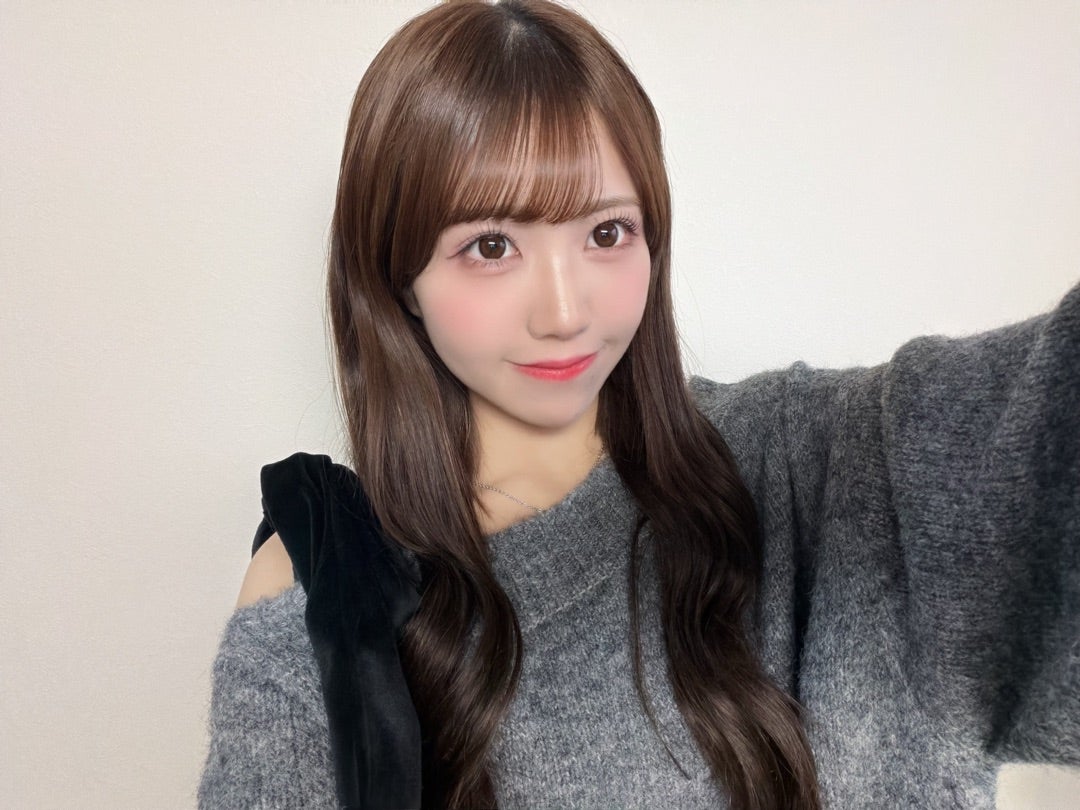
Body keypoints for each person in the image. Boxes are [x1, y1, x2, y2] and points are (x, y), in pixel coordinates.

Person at [198, 1, 1080, 808]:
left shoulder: (836, 469)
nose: (565, 312)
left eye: (607, 232)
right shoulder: (328, 591)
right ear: (398, 279)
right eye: (492, 245)